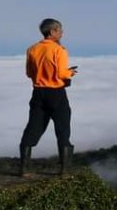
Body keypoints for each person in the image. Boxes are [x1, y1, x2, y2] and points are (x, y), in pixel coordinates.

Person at [19, 18, 78, 177]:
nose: (62, 33)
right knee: (63, 130)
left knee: (32, 128)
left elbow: (29, 73)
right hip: (56, 93)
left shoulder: (32, 49)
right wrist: (70, 73)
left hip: (38, 93)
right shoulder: (59, 50)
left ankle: (24, 169)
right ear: (52, 32)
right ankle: (64, 170)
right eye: (60, 30)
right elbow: (61, 73)